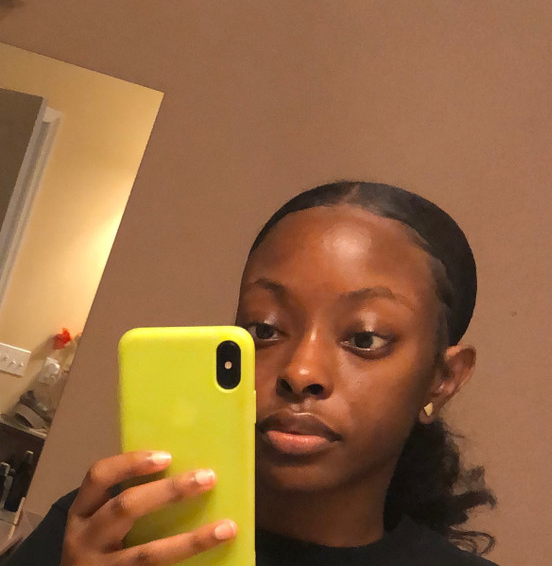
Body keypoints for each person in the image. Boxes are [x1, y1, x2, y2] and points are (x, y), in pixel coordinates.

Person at [6, 181, 499, 566]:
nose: (300, 372)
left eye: (365, 339)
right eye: (264, 329)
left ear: (444, 377)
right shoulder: (111, 535)